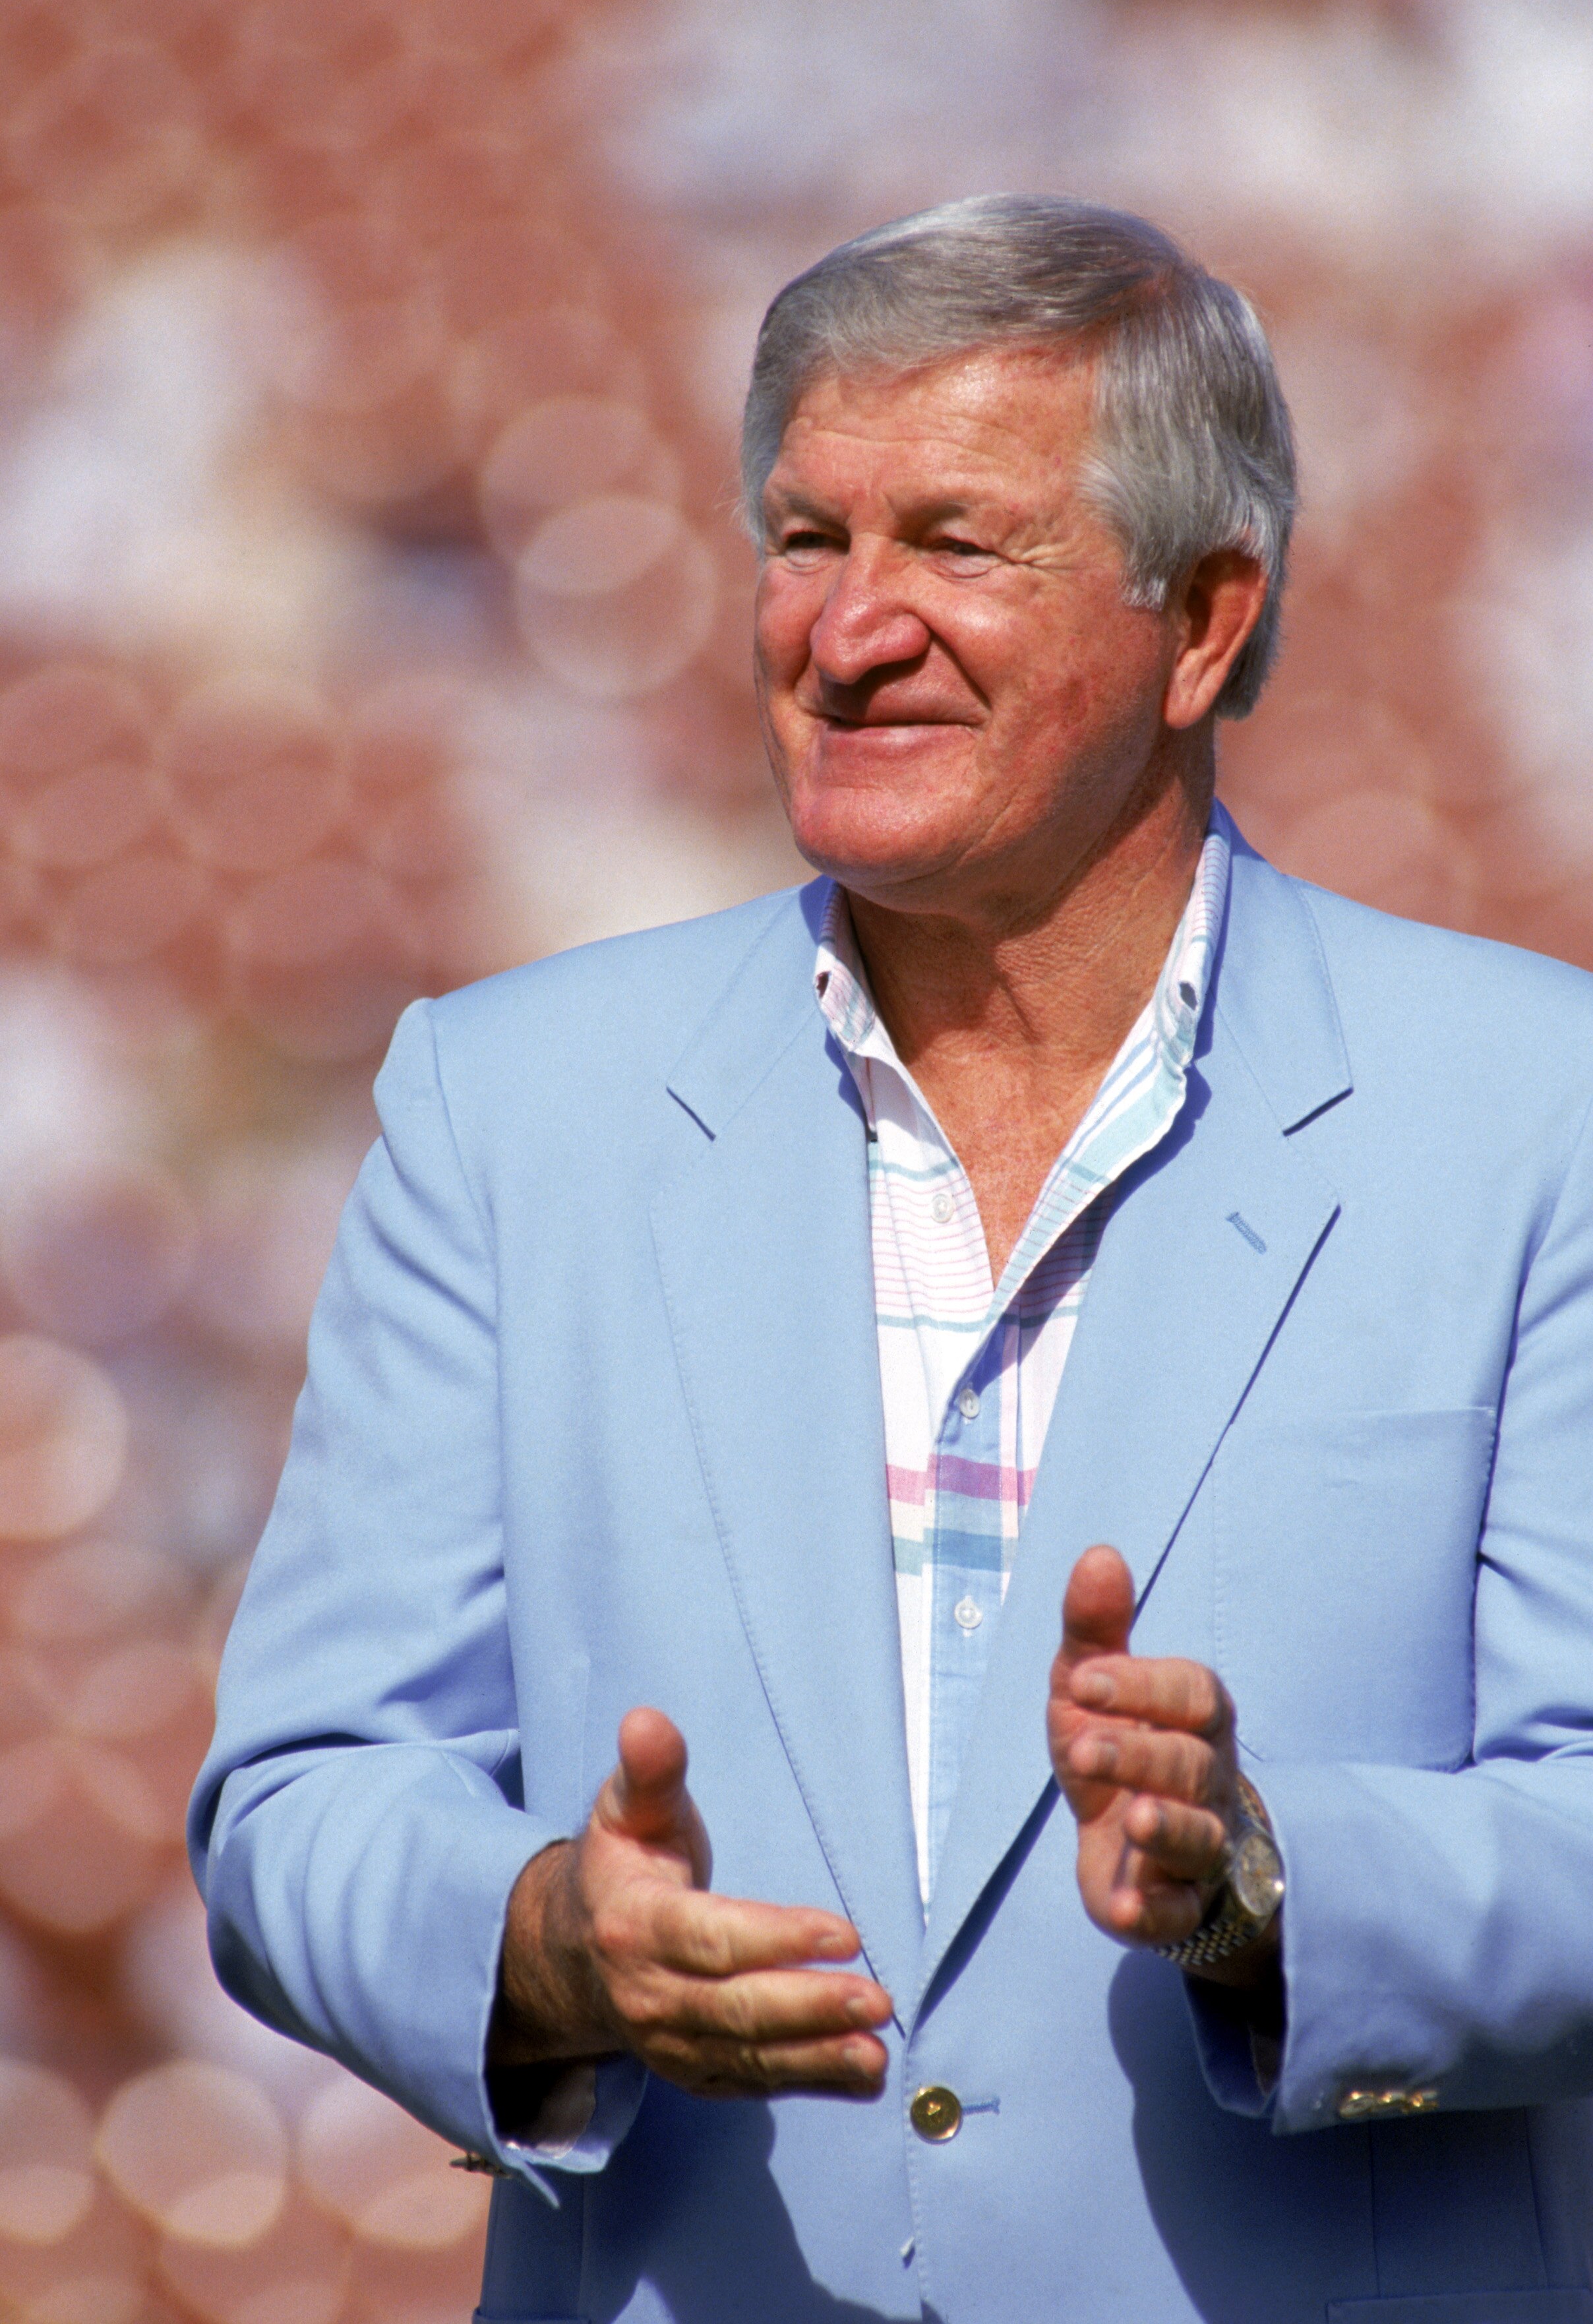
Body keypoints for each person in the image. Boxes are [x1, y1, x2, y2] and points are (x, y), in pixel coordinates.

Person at [191, 196, 1593, 2323]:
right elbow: (300, 1796)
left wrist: (1276, 1883)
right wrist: (546, 1939)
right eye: (806, 536)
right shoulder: (508, 1109)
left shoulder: (1532, 1108)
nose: (849, 627)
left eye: (957, 543)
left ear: (1206, 625)